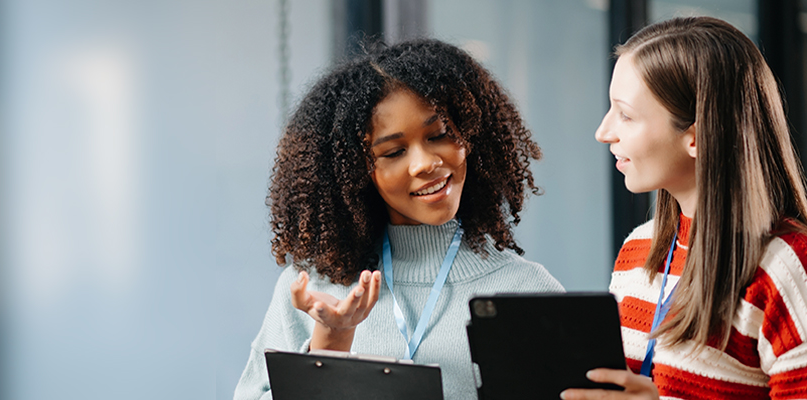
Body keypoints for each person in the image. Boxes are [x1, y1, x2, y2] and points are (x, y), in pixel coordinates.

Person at [233, 39, 563, 400]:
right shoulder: (314, 291)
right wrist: (329, 347)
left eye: (440, 135)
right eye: (393, 152)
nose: (424, 164)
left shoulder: (526, 290)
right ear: (357, 172)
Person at [565, 17, 807, 400]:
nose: (604, 131)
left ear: (696, 136)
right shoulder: (637, 251)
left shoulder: (792, 267)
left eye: (625, 114)